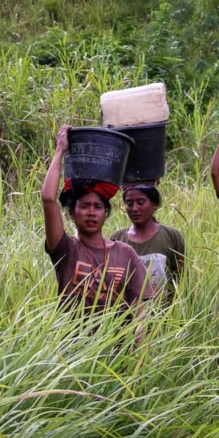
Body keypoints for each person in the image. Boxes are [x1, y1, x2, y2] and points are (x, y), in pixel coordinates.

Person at [42, 124, 153, 332]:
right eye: (84, 206)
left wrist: (140, 359)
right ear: (72, 213)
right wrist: (60, 150)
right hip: (73, 354)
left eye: (98, 207)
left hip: (116, 355)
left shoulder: (125, 253)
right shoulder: (66, 250)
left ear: (105, 213)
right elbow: (48, 199)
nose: (91, 212)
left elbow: (140, 311)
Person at [110, 184, 185, 301]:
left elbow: (182, 278)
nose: (134, 208)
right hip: (127, 315)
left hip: (166, 315)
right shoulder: (117, 238)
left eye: (141, 202)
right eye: (129, 204)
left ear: (155, 204)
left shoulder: (171, 236)